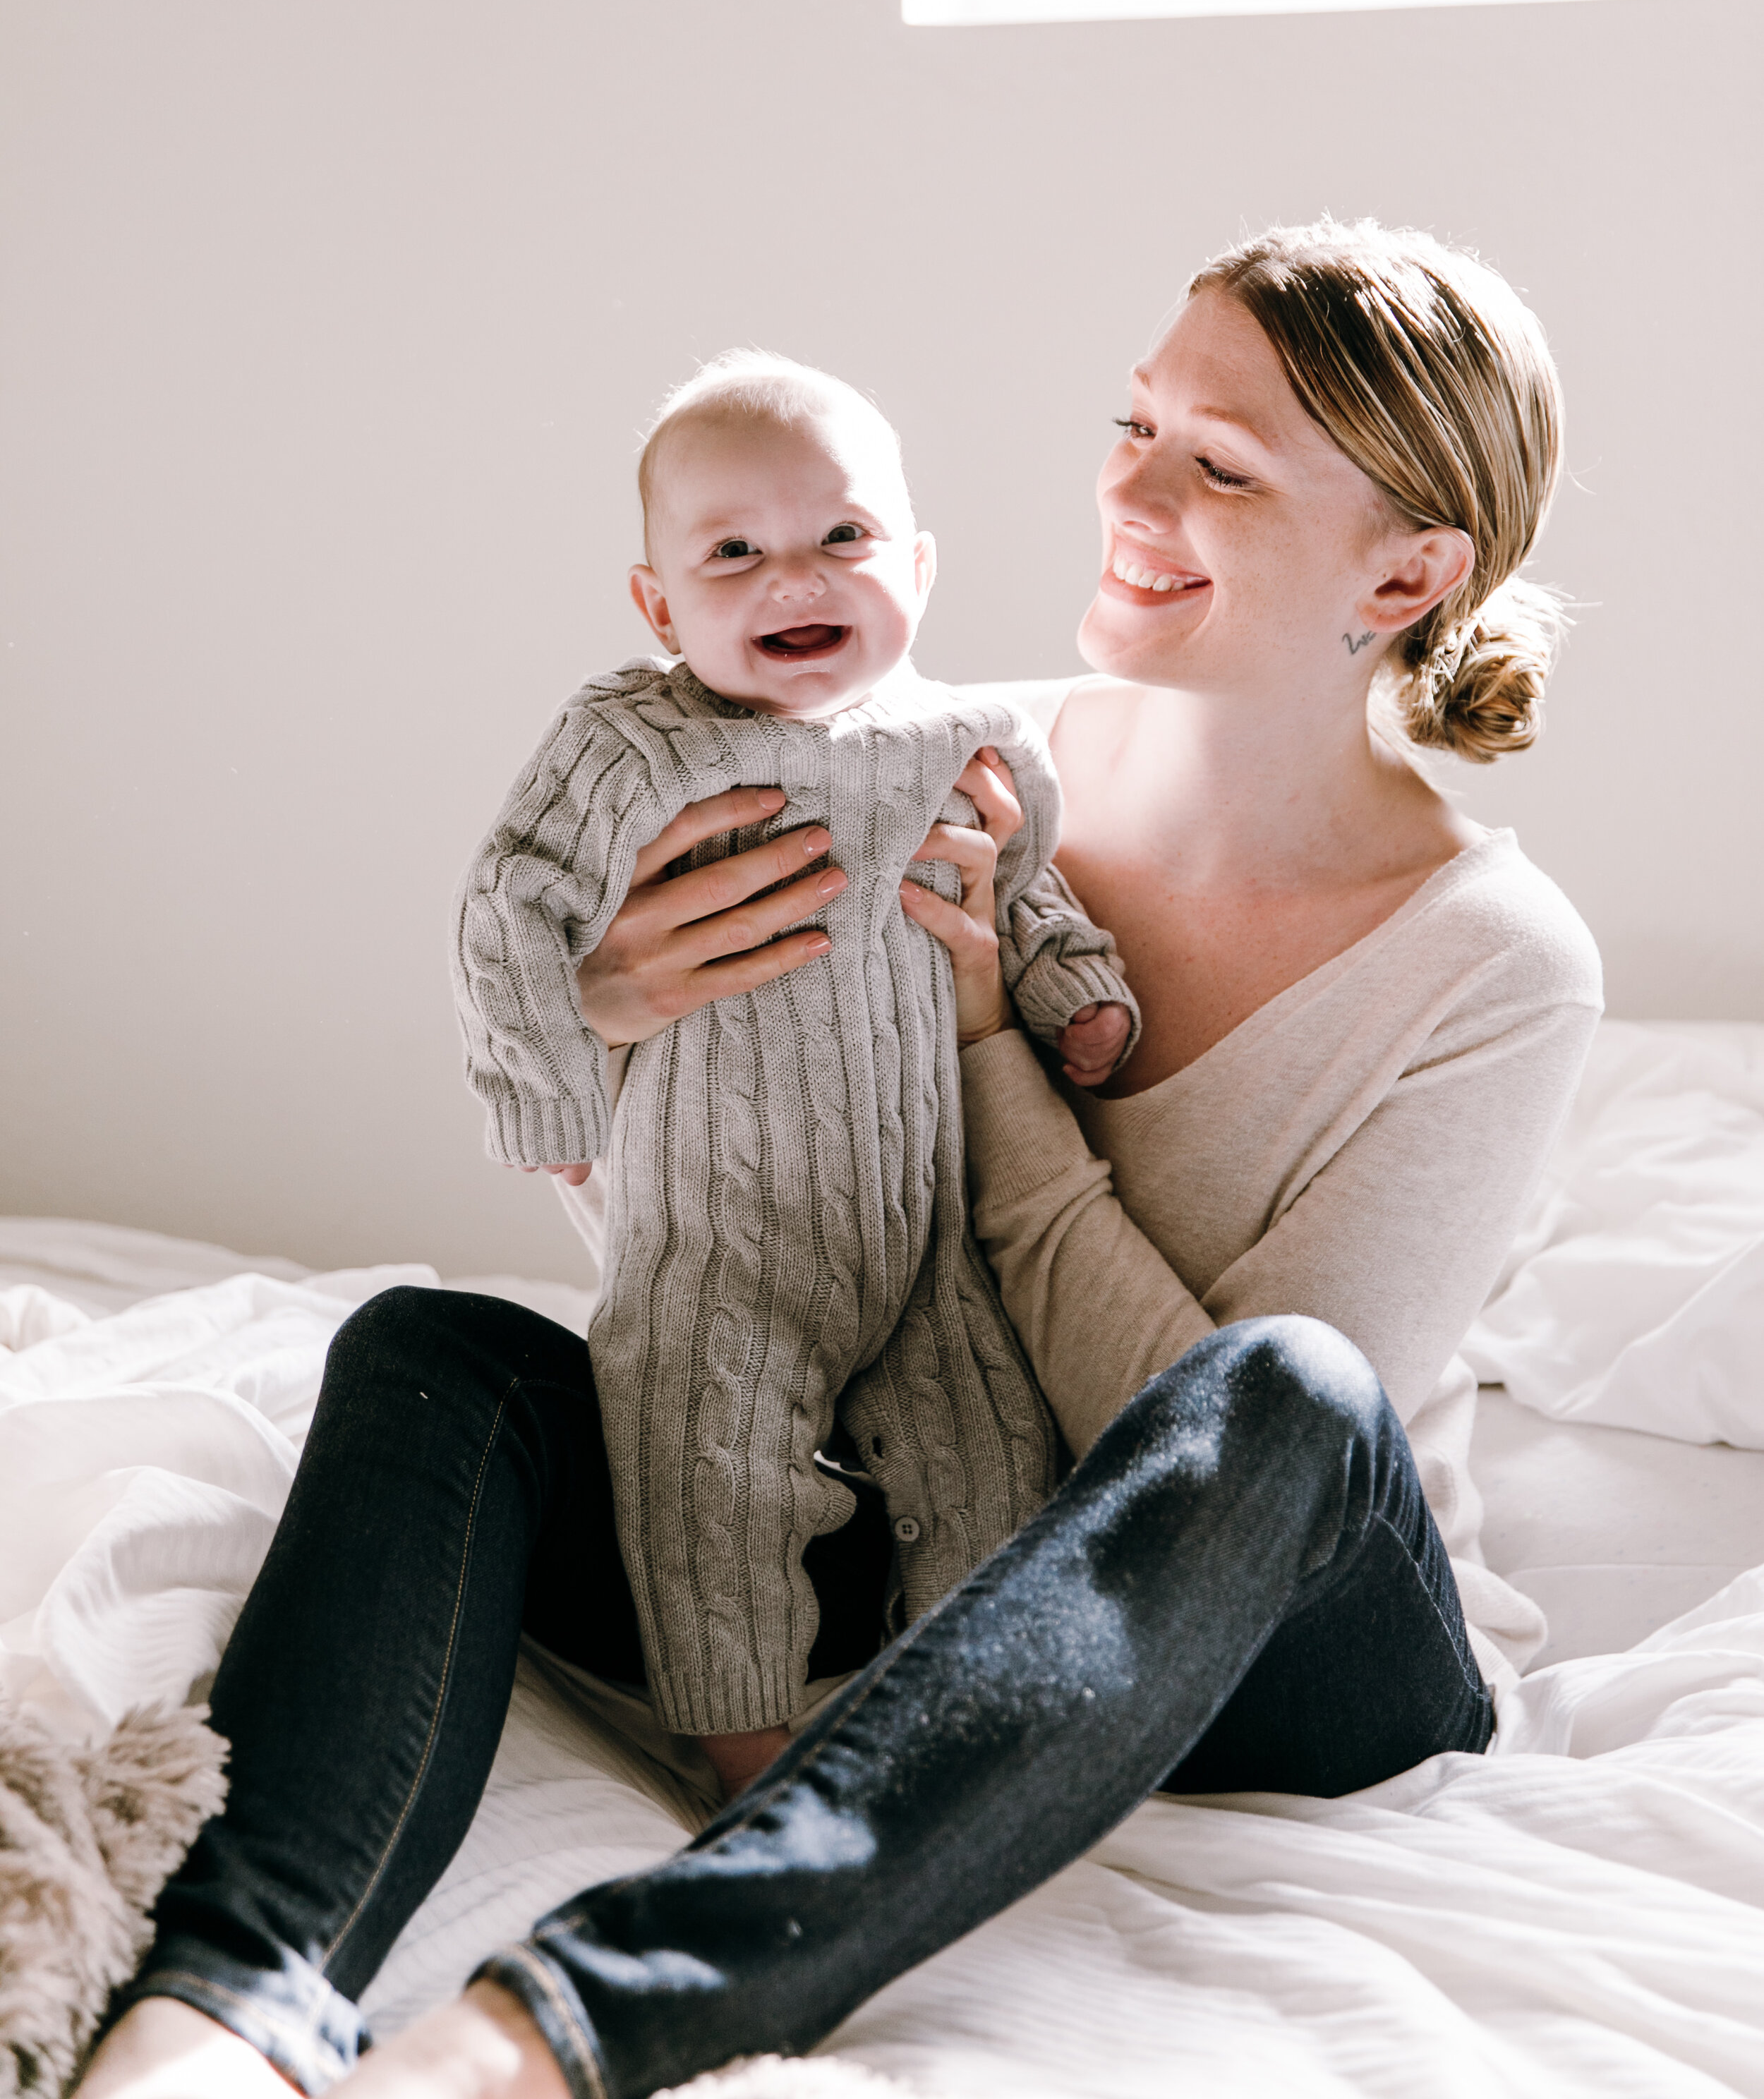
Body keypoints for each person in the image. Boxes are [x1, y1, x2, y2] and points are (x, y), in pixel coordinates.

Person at [84, 219, 1601, 2099]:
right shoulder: (936, 761)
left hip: (1291, 1659)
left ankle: (550, 2031)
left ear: (1410, 565)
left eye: (1218, 460)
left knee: (1282, 1382)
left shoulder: (1489, 959)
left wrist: (989, 1061)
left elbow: (1197, 1447)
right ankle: (222, 2003)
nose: (1127, 484)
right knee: (437, 1351)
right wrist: (618, 1031)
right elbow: (724, 1233)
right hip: (899, 1531)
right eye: (1132, 419)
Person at [450, 350, 1135, 1767]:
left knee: (993, 1459)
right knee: (705, 1470)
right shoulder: (637, 742)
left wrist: (1074, 993)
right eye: (733, 554)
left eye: (841, 539)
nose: (792, 581)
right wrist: (551, 1095)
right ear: (657, 604)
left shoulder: (972, 737)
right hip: (720, 1237)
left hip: (927, 1232)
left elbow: (1026, 893)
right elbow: (511, 908)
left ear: (919, 568)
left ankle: (969, 1736)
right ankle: (744, 1743)